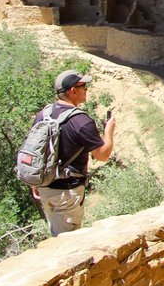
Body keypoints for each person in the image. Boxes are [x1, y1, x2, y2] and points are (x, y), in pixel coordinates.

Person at [32, 70, 115, 236]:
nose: (86, 89)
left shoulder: (44, 114)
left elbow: (35, 150)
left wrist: (34, 182)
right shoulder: (81, 121)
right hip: (66, 193)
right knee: (66, 242)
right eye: (83, 86)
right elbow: (102, 155)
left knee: (56, 233)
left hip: (44, 187)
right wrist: (109, 132)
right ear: (73, 90)